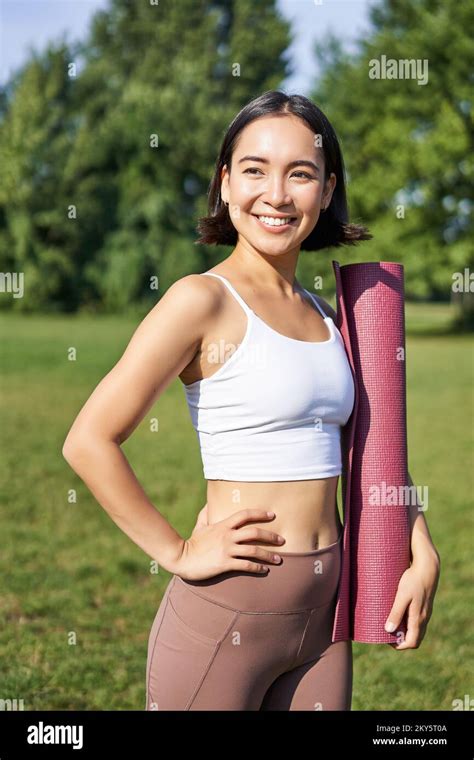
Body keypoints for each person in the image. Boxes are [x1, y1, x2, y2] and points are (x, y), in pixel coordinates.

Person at [62, 90, 441, 711]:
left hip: (325, 621)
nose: (277, 193)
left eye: (301, 173)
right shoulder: (201, 301)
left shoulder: (330, 316)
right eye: (255, 169)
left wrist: (420, 547)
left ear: (326, 188)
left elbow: (375, 455)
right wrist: (176, 551)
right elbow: (88, 439)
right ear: (225, 183)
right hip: (227, 609)